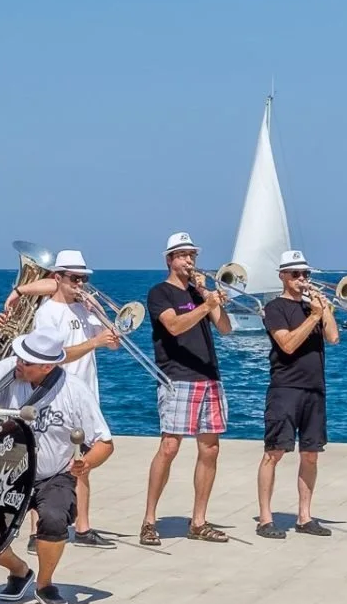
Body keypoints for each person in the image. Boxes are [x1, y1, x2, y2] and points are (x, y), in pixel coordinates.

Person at [0, 333, 114, 604]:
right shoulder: (10, 369)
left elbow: (104, 442)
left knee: (55, 518)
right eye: (20, 357)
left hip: (53, 473)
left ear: (47, 367)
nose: (20, 364)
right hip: (6, 471)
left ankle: (45, 584)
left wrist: (87, 463)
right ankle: (19, 570)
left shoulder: (75, 391)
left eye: (27, 362)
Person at [141, 232, 233, 546]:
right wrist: (205, 306)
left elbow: (225, 329)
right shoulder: (160, 293)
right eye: (182, 255)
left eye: (192, 255)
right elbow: (174, 326)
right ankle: (150, 520)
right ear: (169, 259)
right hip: (177, 376)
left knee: (210, 449)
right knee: (169, 447)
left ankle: (198, 521)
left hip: (210, 377)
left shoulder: (199, 292)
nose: (189, 260)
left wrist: (213, 300)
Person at [28, 250, 121, 547]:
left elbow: (115, 340)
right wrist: (94, 341)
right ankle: (36, 531)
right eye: (74, 278)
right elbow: (52, 358)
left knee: (83, 464)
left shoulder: (85, 309)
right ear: (58, 278)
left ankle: (82, 527)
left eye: (84, 278)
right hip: (55, 395)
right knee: (44, 466)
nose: (80, 283)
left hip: (85, 395)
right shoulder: (46, 314)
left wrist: (103, 317)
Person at [257, 250, 340, 539]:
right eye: (296, 274)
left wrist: (324, 310)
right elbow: (288, 345)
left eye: (305, 274)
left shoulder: (312, 307)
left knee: (311, 454)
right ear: (283, 276)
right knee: (274, 453)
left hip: (314, 388)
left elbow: (333, 337)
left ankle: (305, 517)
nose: (302, 279)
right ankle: (266, 518)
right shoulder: (274, 308)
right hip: (285, 388)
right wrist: (313, 316)